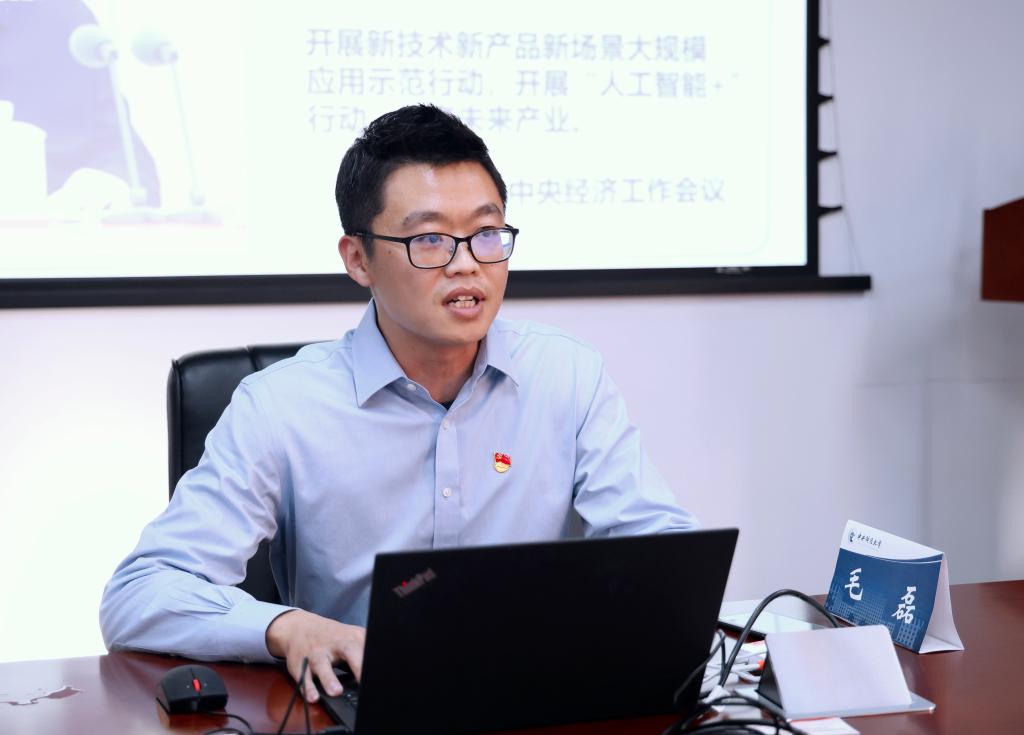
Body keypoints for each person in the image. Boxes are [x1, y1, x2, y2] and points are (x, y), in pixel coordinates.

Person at [100, 104, 697, 703]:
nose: (467, 264)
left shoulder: (567, 374)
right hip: (363, 702)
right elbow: (140, 593)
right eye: (429, 239)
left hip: (540, 696)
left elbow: (666, 554)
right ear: (358, 259)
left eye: (487, 234)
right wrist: (285, 626)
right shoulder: (280, 406)